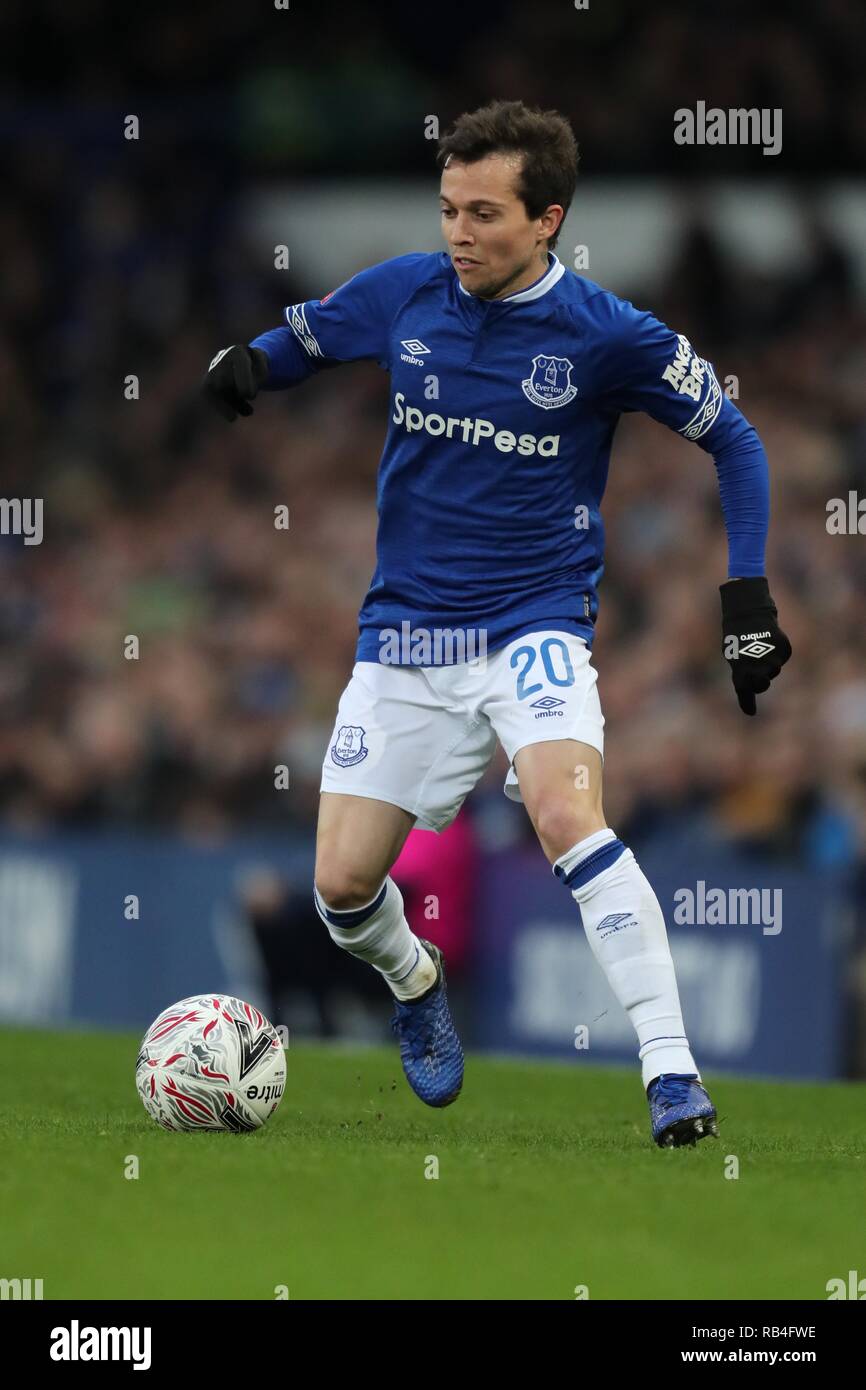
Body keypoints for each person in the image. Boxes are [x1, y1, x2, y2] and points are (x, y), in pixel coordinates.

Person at [203, 99, 791, 1147]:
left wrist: (742, 596)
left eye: (483, 213)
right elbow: (305, 340)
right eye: (447, 209)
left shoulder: (607, 336)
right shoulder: (406, 292)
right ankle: (414, 976)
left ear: (545, 219)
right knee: (340, 884)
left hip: (534, 625)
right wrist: (246, 361)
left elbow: (734, 440)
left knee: (569, 817)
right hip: (406, 635)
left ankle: (669, 1074)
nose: (458, 233)